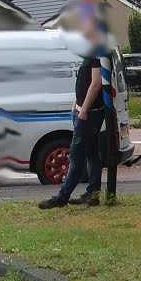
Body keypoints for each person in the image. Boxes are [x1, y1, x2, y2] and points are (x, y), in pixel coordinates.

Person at [40, 52, 104, 208]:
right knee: (92, 154)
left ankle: (62, 197)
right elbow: (84, 81)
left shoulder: (97, 52)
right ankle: (92, 194)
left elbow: (96, 83)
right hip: (82, 109)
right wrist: (76, 104)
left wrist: (84, 110)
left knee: (76, 156)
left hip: (89, 113)